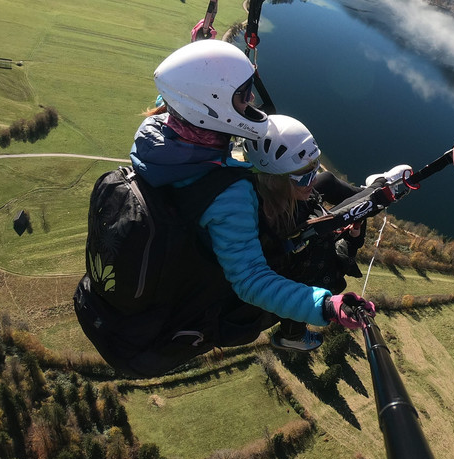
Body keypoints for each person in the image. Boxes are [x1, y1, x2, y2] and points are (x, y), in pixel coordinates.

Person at [74, 39, 375, 377]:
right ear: (211, 104)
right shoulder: (228, 193)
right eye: (242, 94)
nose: (251, 101)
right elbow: (251, 281)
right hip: (174, 325)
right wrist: (326, 306)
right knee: (306, 265)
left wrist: (203, 58)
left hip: (118, 310)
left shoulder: (154, 133)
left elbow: (178, 100)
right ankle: (293, 333)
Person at [246, 114, 370, 351]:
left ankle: (367, 193)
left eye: (315, 167)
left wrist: (373, 195)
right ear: (274, 179)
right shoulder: (265, 227)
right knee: (300, 293)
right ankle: (291, 337)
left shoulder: (288, 195)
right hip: (294, 285)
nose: (312, 180)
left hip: (307, 258)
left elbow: (324, 183)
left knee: (329, 181)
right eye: (305, 175)